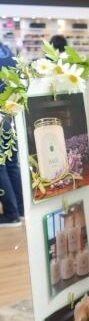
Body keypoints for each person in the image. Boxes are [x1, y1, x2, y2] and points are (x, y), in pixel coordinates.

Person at [0, 43, 23, 227]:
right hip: (8, 113)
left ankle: (11, 214)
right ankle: (21, 210)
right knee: (11, 164)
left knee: (1, 166)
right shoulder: (7, 51)